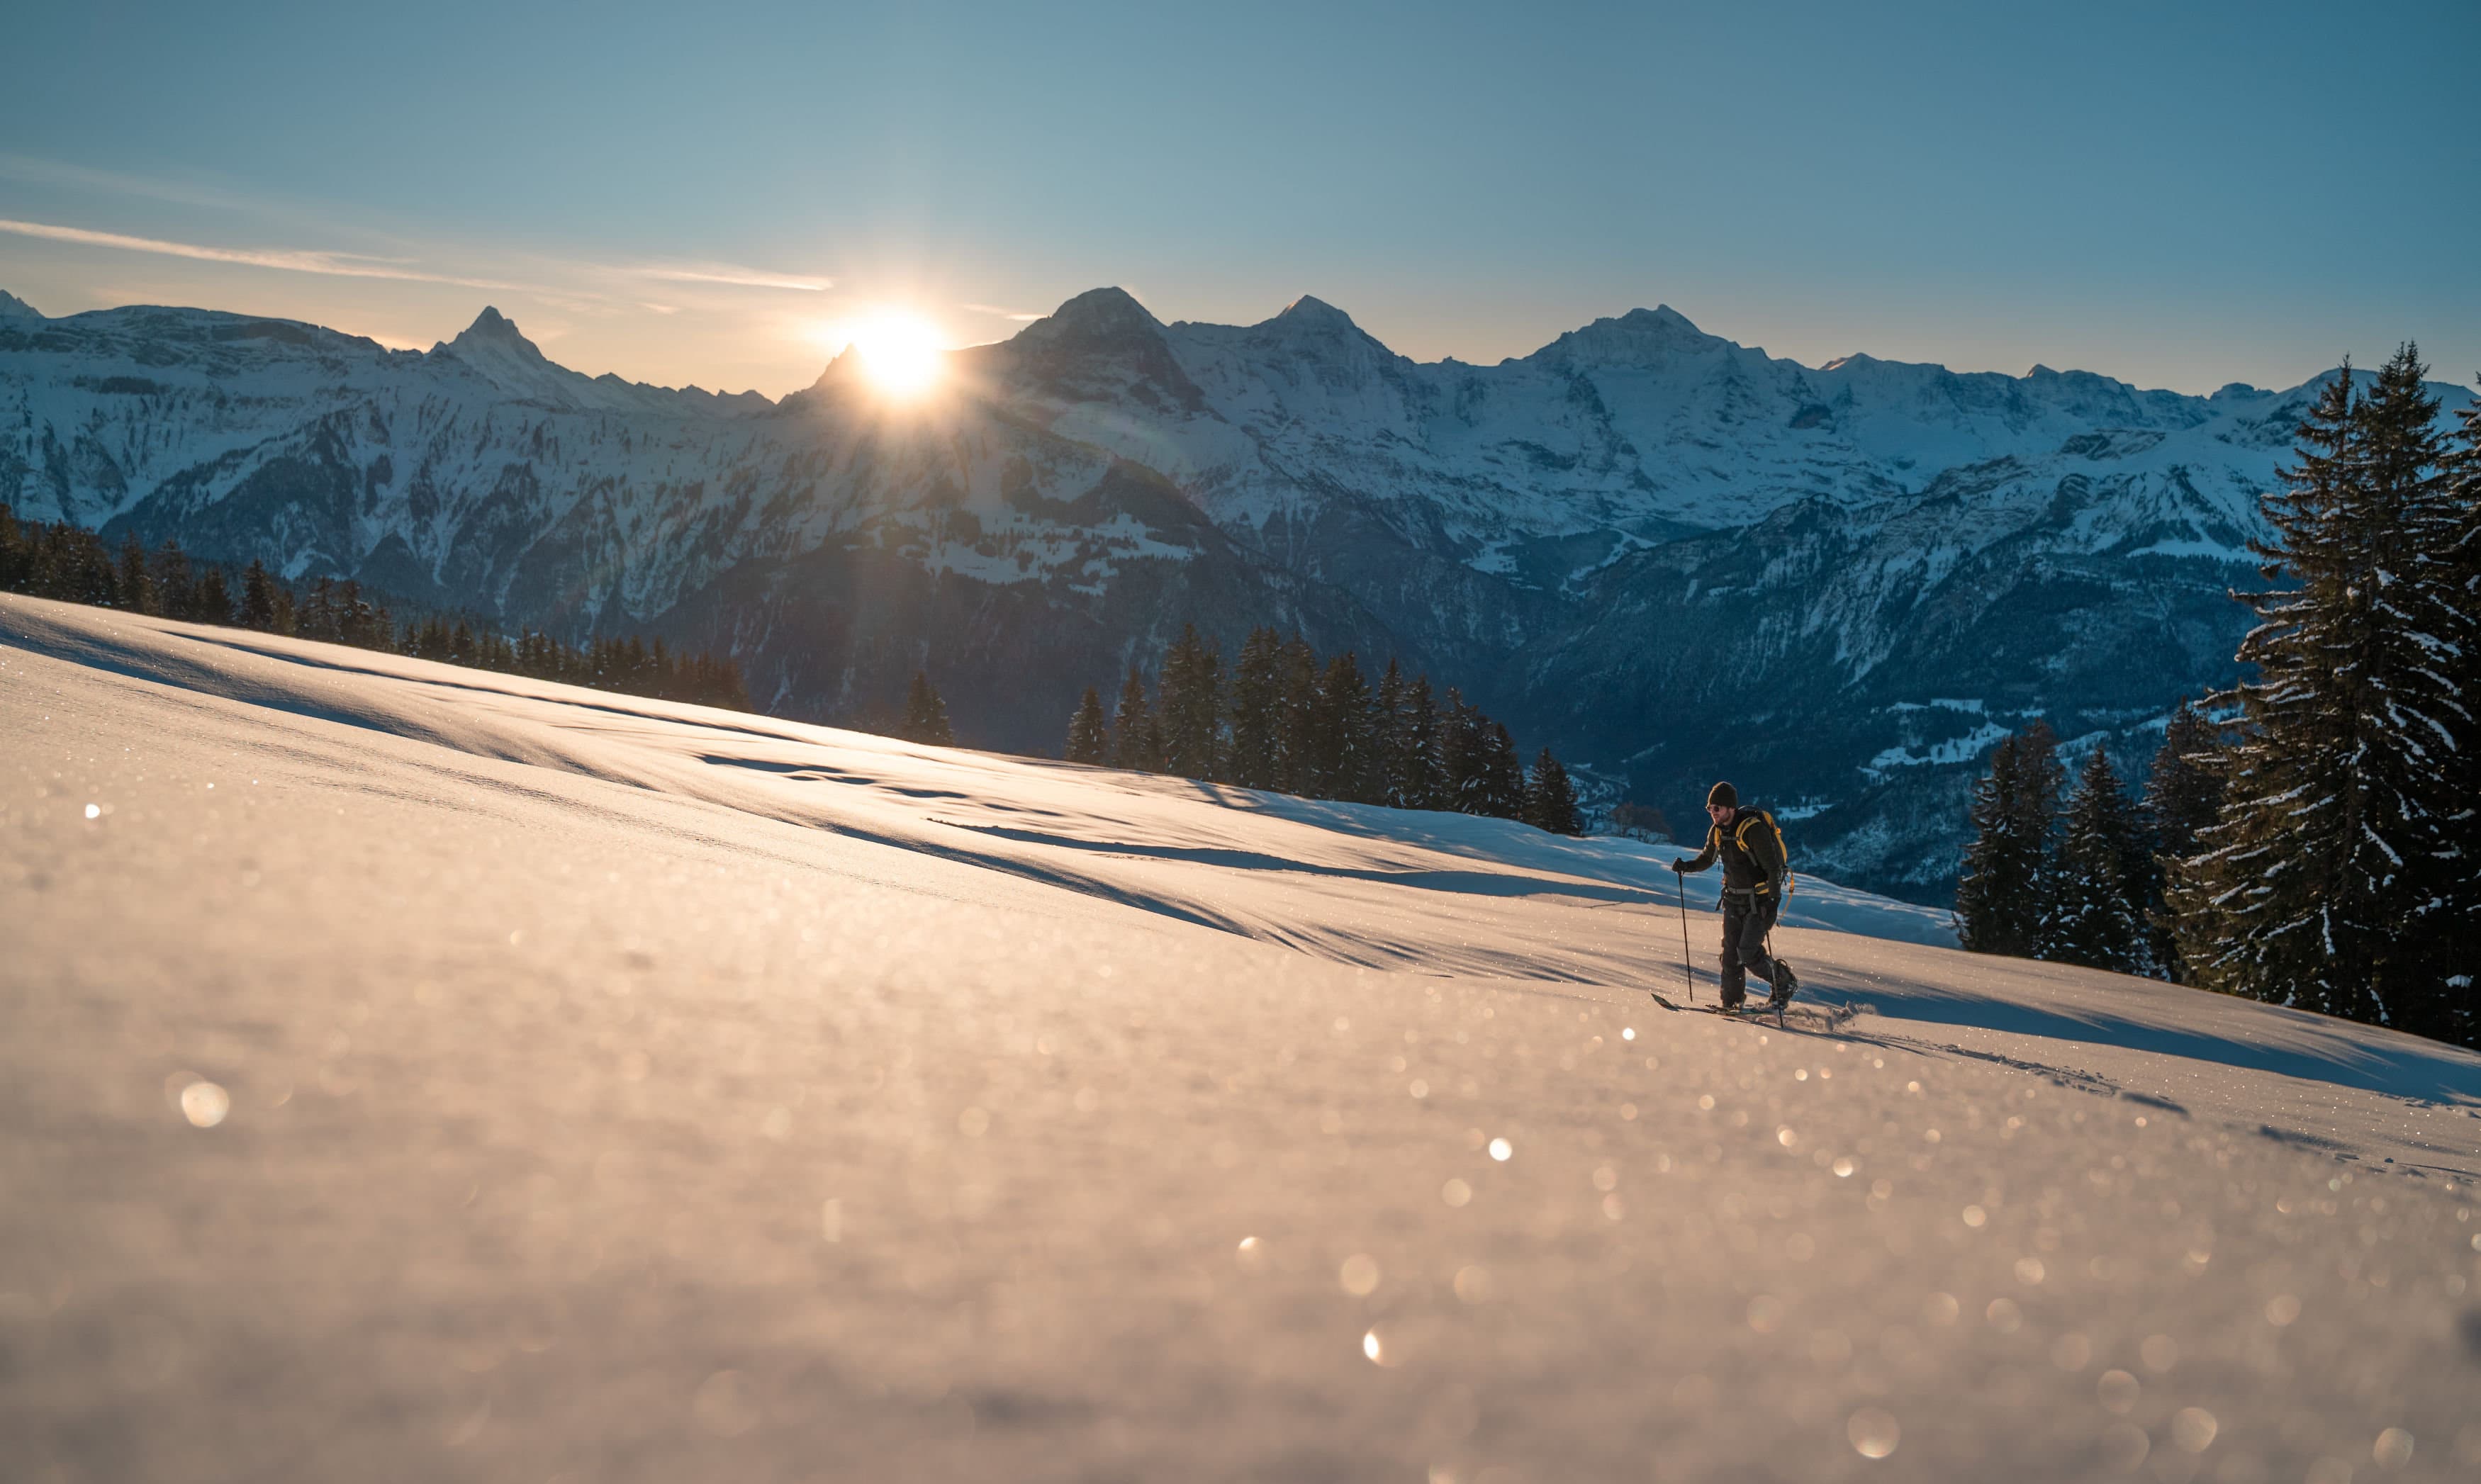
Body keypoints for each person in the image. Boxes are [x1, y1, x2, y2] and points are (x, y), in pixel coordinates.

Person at [1671, 782, 1798, 1011]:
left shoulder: (1753, 830)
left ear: (1730, 807)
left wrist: (1772, 901)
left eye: (1717, 808)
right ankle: (1731, 1003)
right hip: (1733, 901)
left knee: (1748, 952)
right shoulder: (1717, 831)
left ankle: (1784, 983)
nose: (1713, 813)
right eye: (1710, 808)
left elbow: (1773, 868)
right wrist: (1686, 867)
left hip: (1759, 902)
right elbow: (1708, 859)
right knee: (1730, 956)